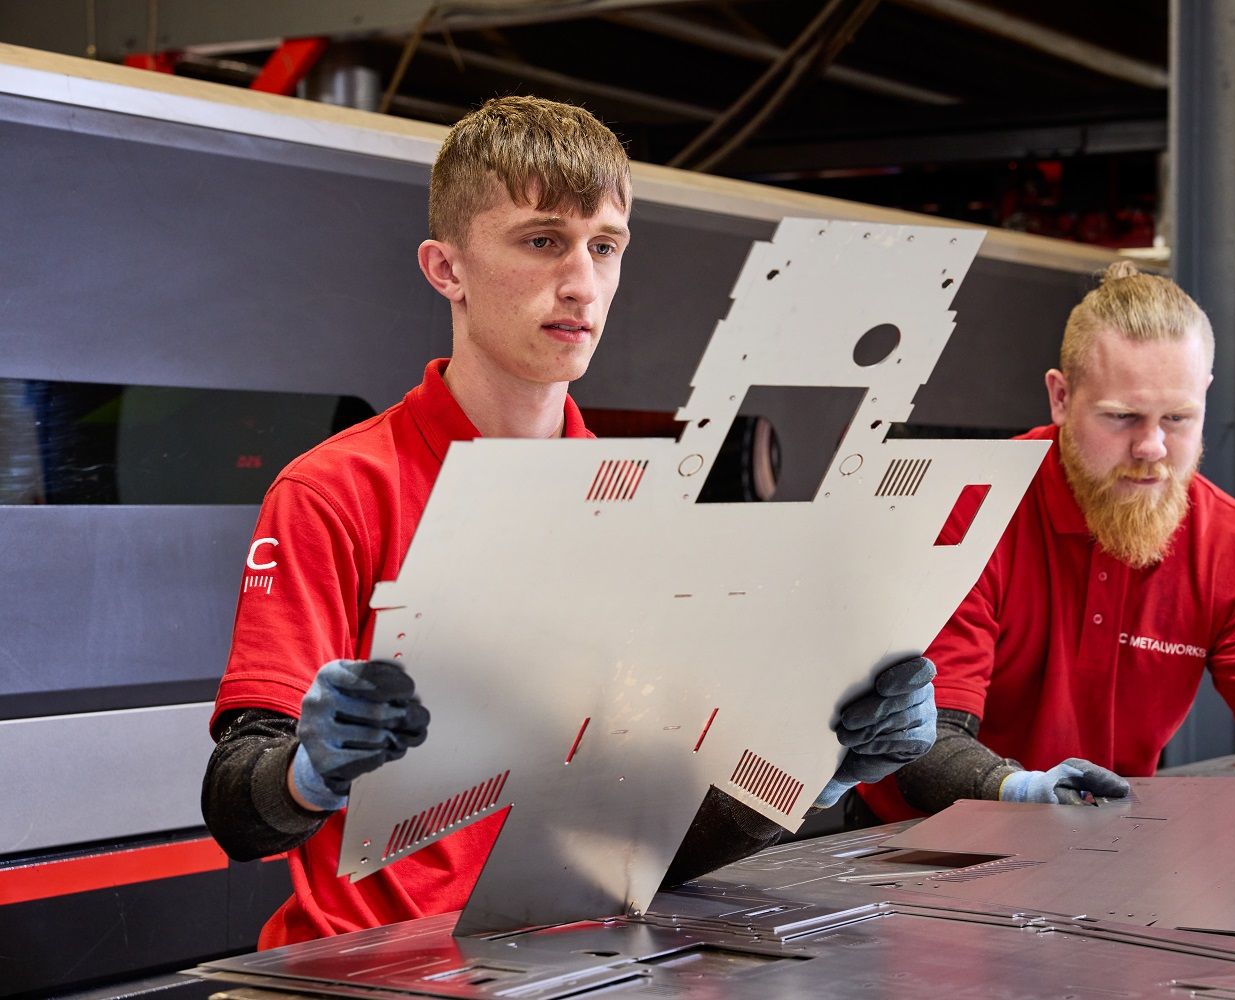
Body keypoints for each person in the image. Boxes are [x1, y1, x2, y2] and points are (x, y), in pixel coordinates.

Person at [201, 95, 936, 949]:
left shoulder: (641, 506)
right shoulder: (336, 490)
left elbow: (654, 849)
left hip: (571, 955)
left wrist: (813, 771)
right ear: (447, 268)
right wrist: (308, 773)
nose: (583, 283)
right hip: (382, 967)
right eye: (542, 240)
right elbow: (238, 808)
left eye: (606, 247)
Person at [859, 261, 1235, 838]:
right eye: (1122, 417)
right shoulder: (968, 517)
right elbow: (920, 744)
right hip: (915, 844)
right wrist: (1020, 791)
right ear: (1060, 398)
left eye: (1179, 417)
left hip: (1096, 835)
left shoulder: (1234, 548)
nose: (1152, 447)